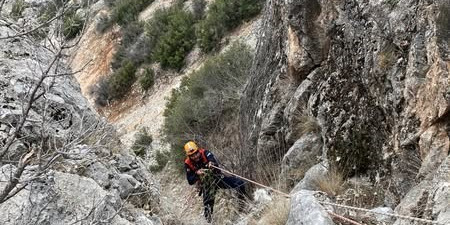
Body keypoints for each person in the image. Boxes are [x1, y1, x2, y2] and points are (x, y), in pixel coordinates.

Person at [183, 141, 247, 223]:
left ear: (198, 150)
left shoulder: (206, 153)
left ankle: (242, 207)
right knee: (208, 210)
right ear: (189, 156)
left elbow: (213, 161)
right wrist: (197, 174)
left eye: (196, 153)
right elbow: (190, 181)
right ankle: (209, 222)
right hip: (207, 185)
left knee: (240, 183)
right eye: (192, 156)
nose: (195, 156)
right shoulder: (187, 164)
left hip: (218, 178)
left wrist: (211, 163)